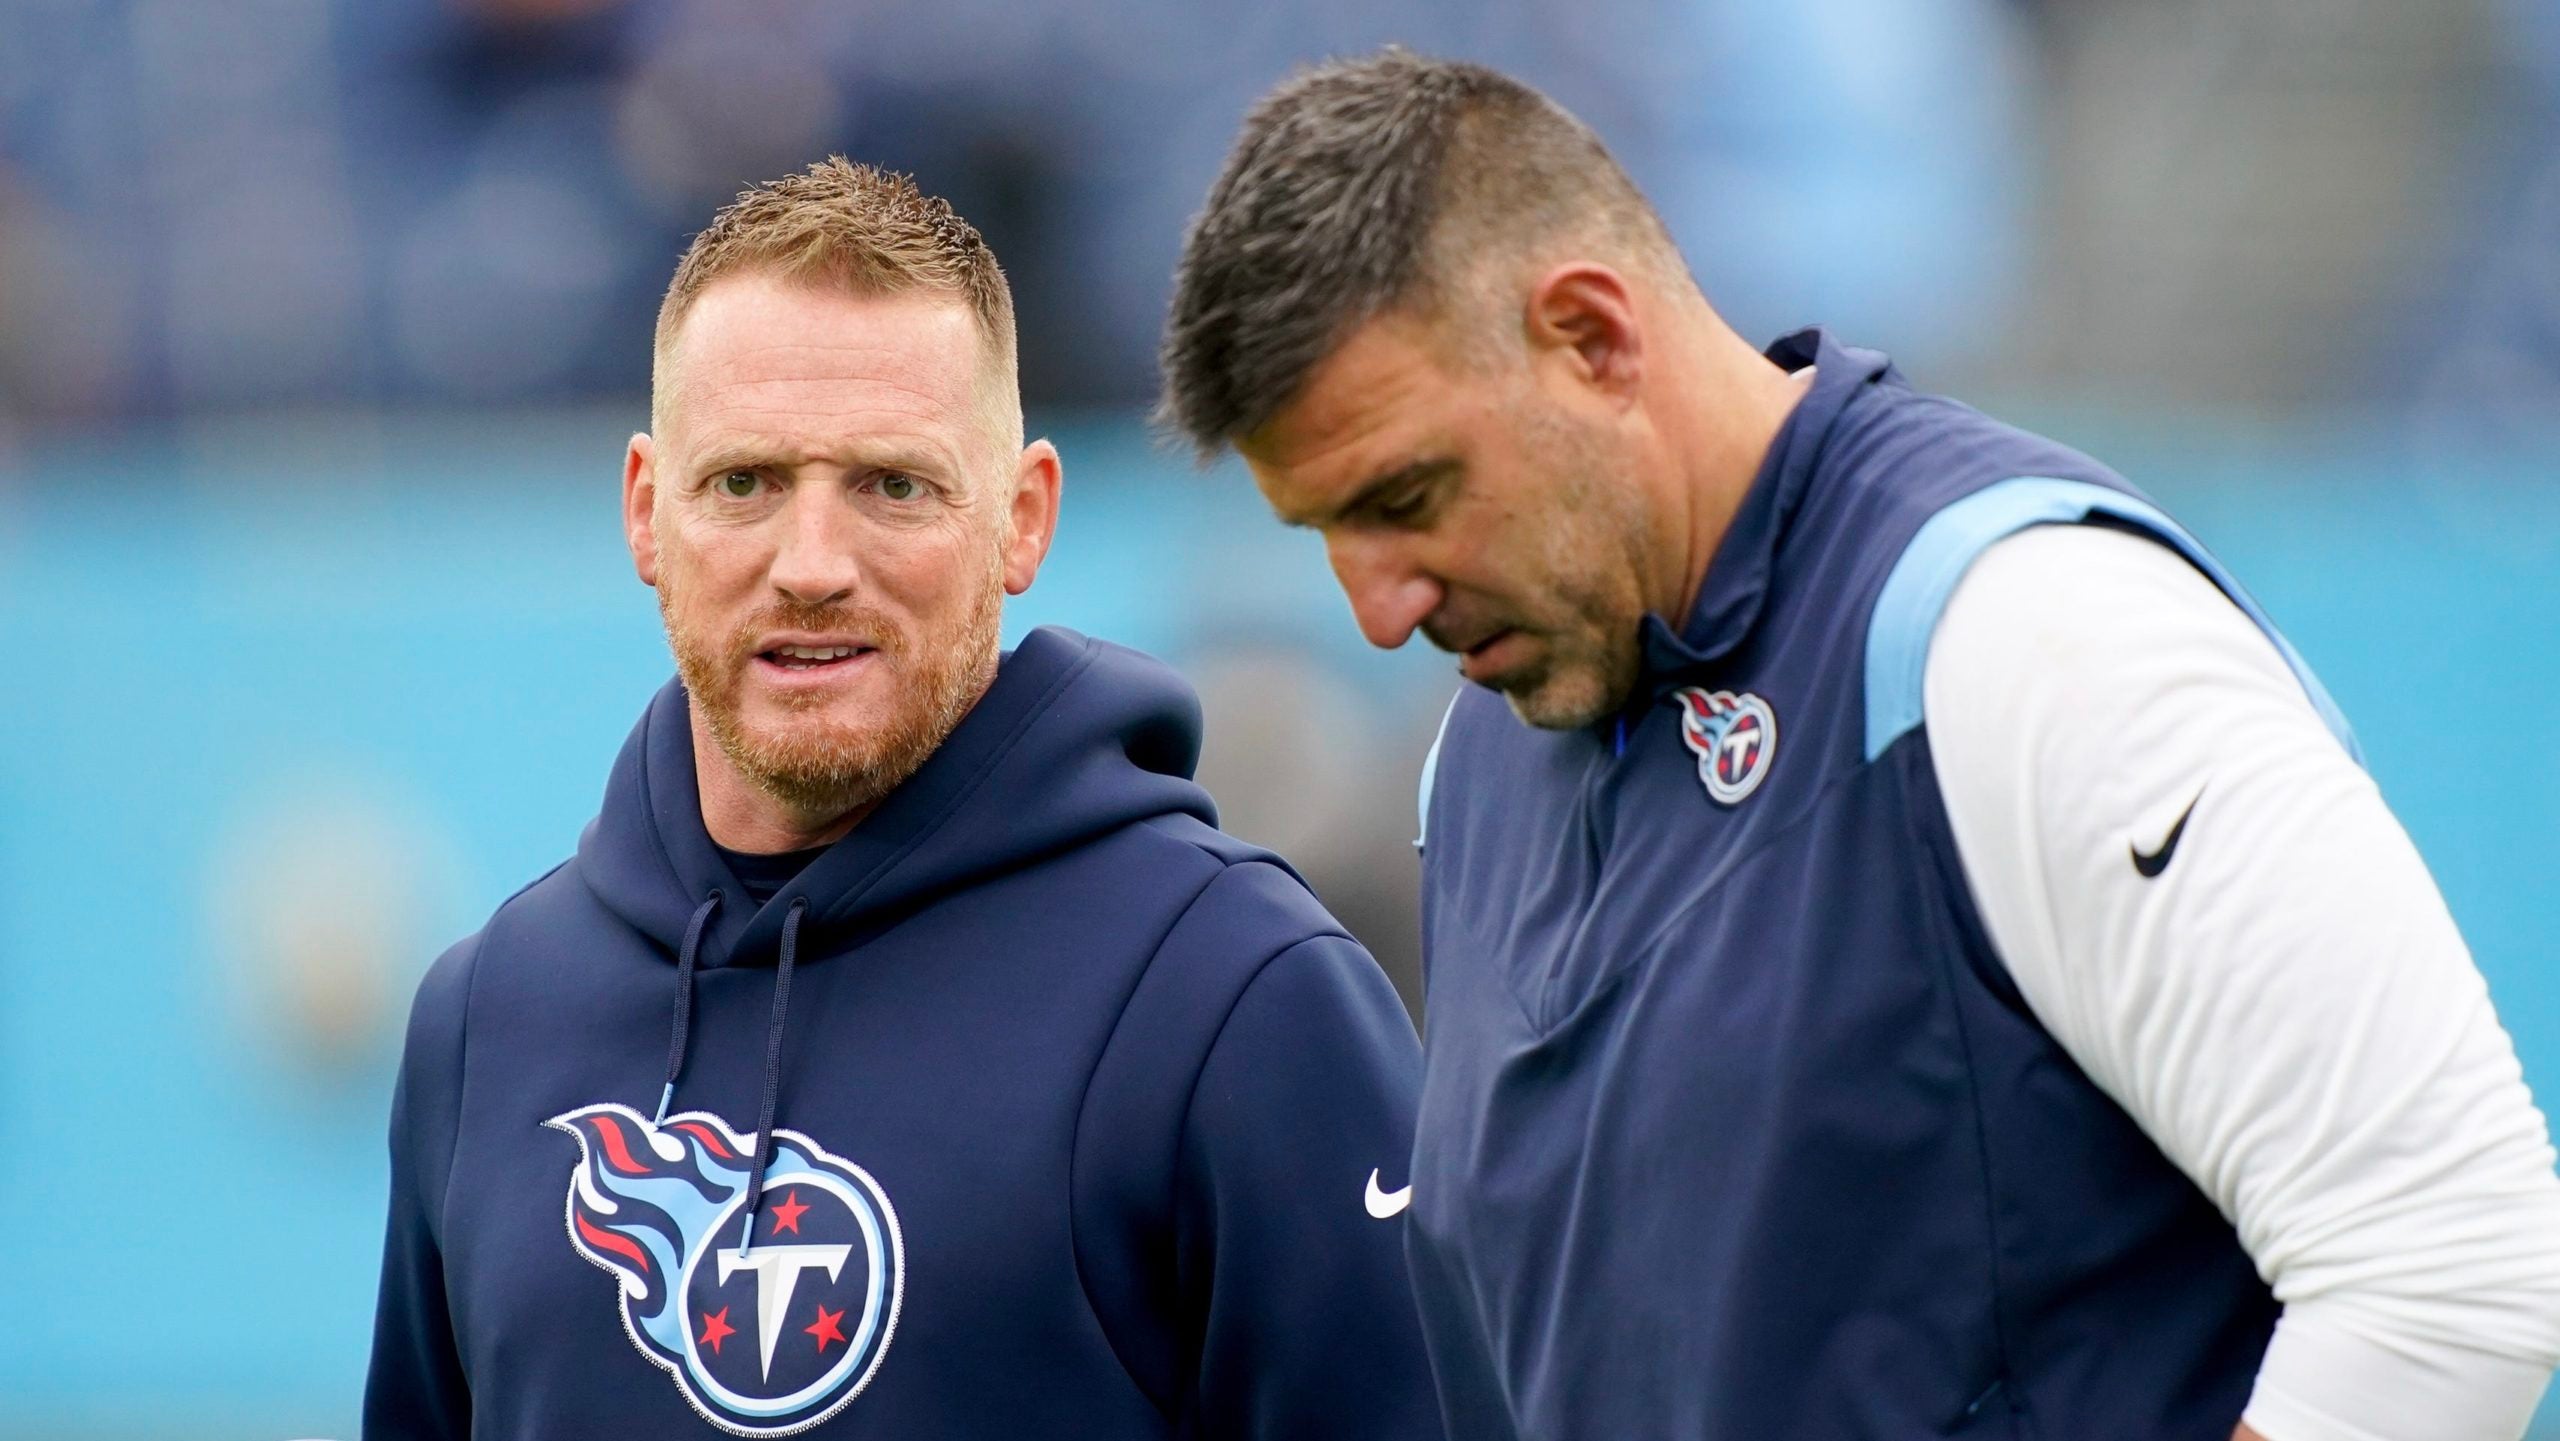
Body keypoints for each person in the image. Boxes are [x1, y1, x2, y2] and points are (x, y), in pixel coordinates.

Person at [1158, 50, 2560, 1441]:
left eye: (1411, 493)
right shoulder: (1476, 760)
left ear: (1592, 335)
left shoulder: (2027, 636)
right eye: (1325, 531)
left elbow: (2447, 1266)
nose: (1377, 605)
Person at [364, 158, 1443, 1441]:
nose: (812, 567)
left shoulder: (1238, 995)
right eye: (745, 483)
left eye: (893, 485)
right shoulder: (486, 1022)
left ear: (1021, 519)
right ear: (649, 512)